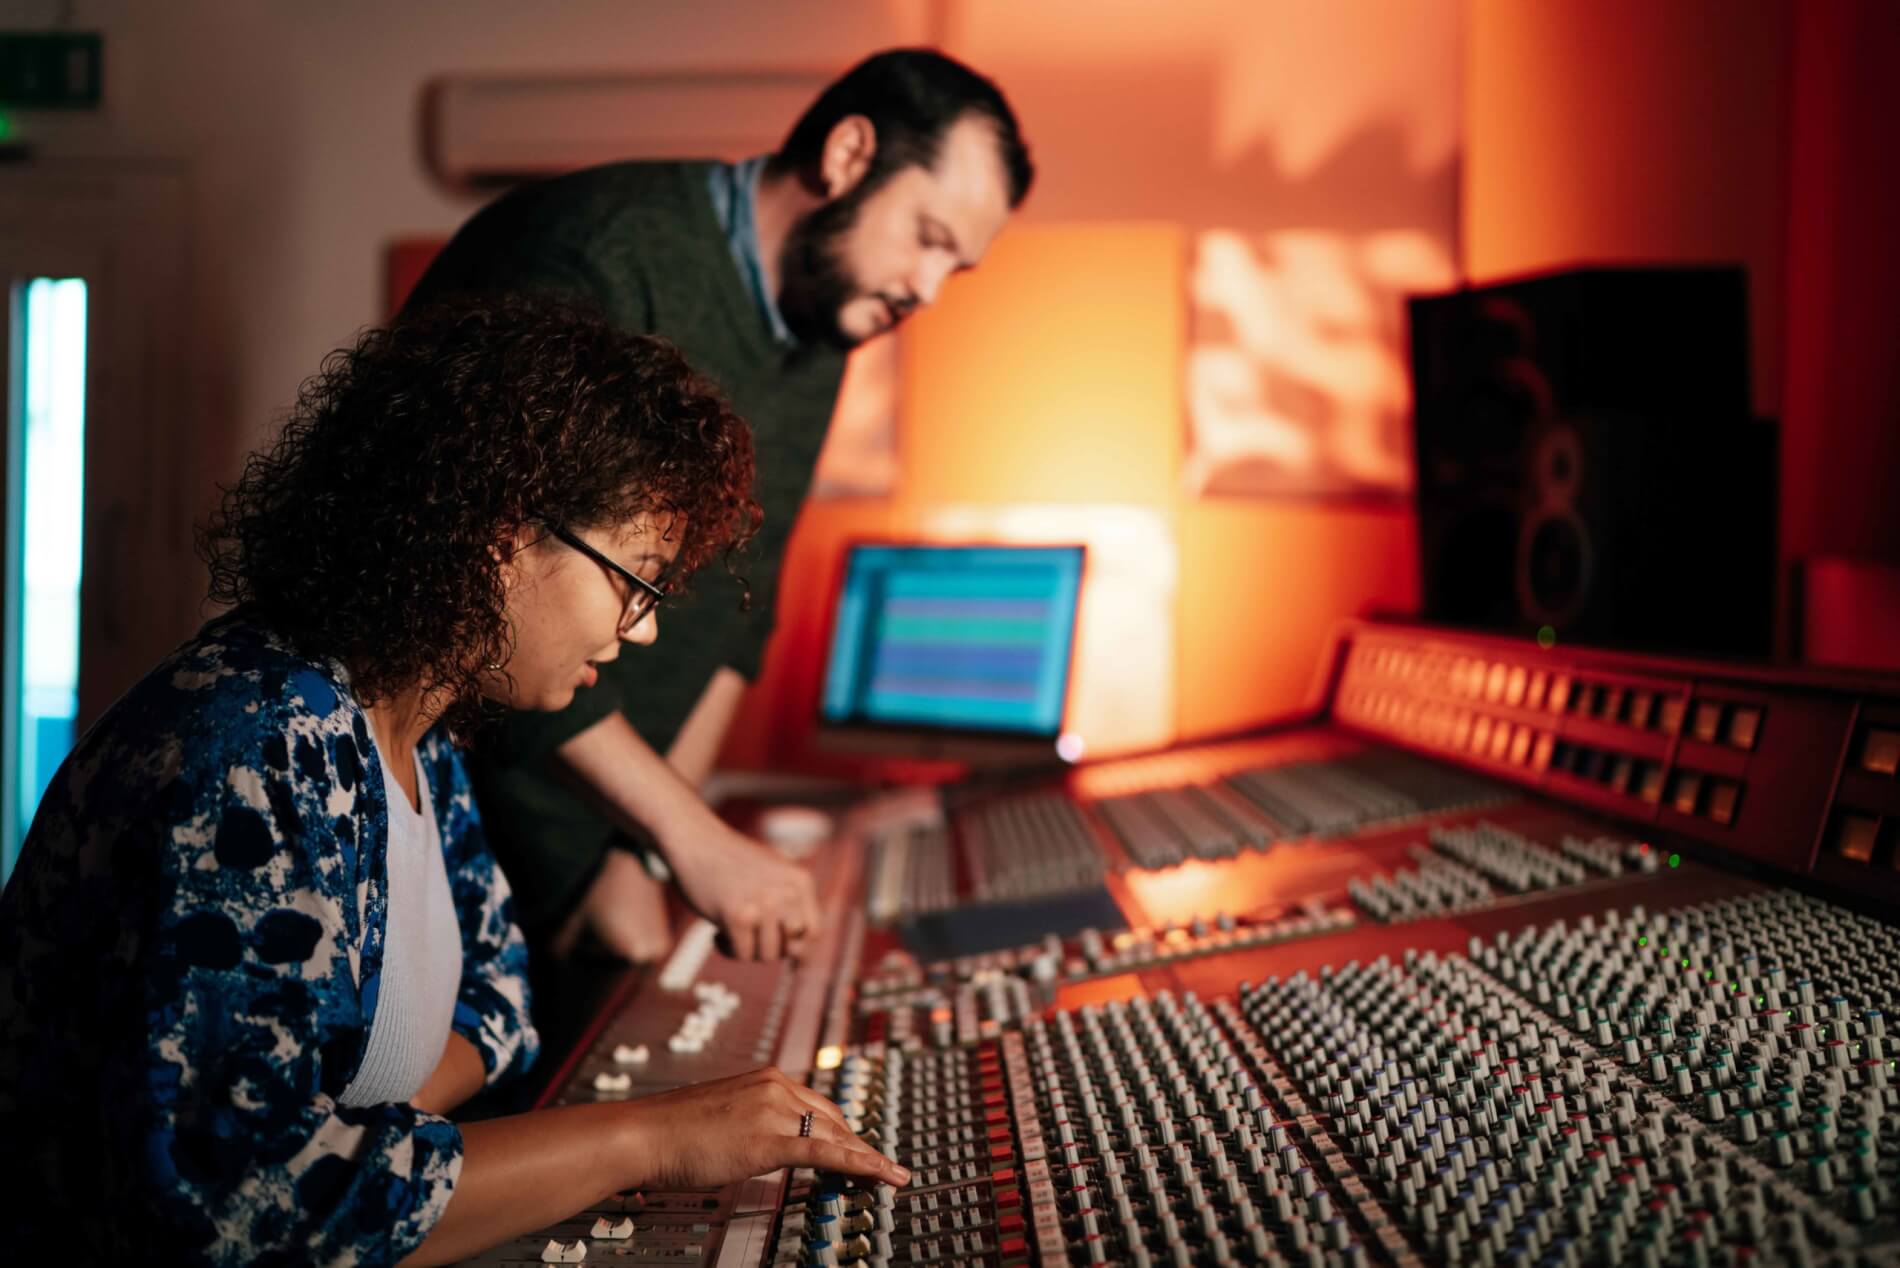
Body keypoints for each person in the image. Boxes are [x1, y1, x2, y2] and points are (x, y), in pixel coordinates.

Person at [0, 293, 907, 1265]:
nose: (640, 628)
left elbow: (498, 988)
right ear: (502, 535)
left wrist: (368, 1140)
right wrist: (654, 1136)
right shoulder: (252, 744)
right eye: (634, 577)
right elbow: (239, 1204)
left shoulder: (418, 723)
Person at [405, 48, 1034, 969]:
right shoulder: (590, 254)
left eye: (958, 268)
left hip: (610, 835)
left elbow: (741, 613)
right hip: (462, 827)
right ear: (849, 155)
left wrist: (649, 846)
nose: (927, 291)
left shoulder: (825, 323)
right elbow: (484, 594)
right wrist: (678, 840)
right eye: (929, 237)